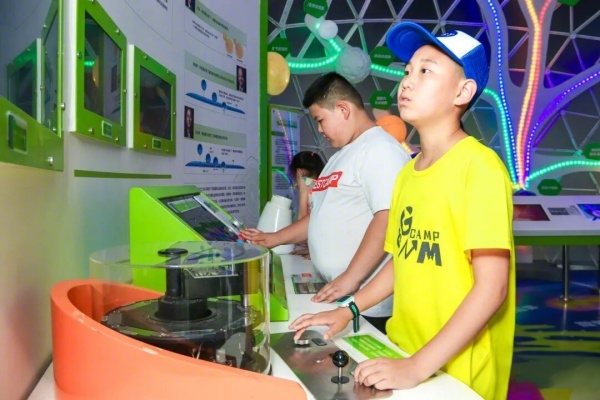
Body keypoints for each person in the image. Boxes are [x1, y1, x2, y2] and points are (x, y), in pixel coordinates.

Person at [290, 22, 515, 400]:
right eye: (408, 70)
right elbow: (403, 258)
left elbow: (492, 288)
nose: (407, 81)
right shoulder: (409, 173)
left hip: (458, 370)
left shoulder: (480, 168)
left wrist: (418, 366)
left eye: (426, 71)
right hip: (402, 350)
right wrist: (349, 310)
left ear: (462, 91)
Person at [242, 72, 411, 332]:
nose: (319, 130)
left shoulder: (379, 149)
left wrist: (351, 277)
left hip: (367, 304)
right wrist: (273, 238)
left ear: (343, 109)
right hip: (340, 293)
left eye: (320, 120)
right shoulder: (340, 156)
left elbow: (388, 217)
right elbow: (321, 214)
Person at [288, 151, 325, 220]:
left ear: (299, 172)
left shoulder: (308, 191)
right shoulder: (324, 186)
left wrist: (302, 191)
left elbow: (302, 221)